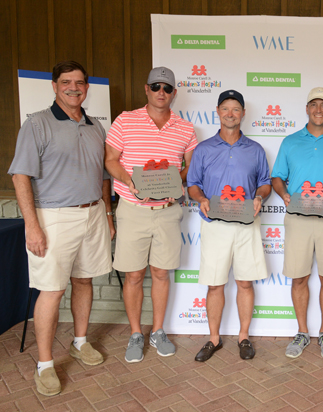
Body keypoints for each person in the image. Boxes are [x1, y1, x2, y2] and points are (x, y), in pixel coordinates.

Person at [9, 61, 115, 396]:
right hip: (52, 217)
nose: (73, 88)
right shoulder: (37, 124)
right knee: (52, 291)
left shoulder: (96, 126)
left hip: (93, 213)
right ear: (54, 86)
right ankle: (44, 364)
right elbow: (20, 176)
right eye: (66, 82)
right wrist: (32, 226)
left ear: (87, 87)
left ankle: (79, 342)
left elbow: (102, 176)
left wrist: (108, 214)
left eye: (79, 82)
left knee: (84, 280)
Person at [105, 67, 197, 363]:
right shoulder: (125, 120)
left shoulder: (186, 128)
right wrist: (130, 181)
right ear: (146, 89)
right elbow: (110, 160)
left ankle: (158, 331)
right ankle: (135, 333)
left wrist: (175, 182)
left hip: (168, 212)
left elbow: (191, 167)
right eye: (156, 86)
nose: (161, 92)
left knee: (160, 272)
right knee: (133, 275)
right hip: (133, 210)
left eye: (167, 88)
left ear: (174, 93)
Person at [271, 87, 323, 360]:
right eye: (314, 104)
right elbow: (277, 176)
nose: (318, 110)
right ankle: (302, 332)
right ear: (307, 109)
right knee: (299, 277)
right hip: (298, 218)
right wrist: (283, 194)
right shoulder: (290, 142)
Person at [187, 90, 271, 361]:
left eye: (236, 109)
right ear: (218, 111)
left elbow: (265, 183)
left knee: (245, 282)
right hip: (215, 224)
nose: (230, 114)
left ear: (243, 113)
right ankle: (214, 338)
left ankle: (243, 336)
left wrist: (259, 197)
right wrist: (201, 199)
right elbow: (192, 184)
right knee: (215, 284)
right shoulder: (203, 149)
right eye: (225, 108)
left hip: (246, 223)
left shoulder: (255, 150)